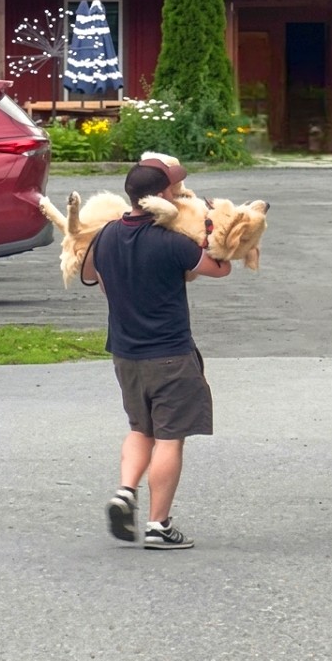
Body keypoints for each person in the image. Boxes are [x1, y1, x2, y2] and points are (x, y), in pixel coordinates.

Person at [80, 158, 230, 549]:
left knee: (139, 428)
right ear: (163, 195)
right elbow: (219, 268)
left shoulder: (107, 235)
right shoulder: (172, 242)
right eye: (174, 192)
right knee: (170, 437)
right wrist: (212, 227)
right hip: (170, 354)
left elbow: (92, 277)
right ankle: (158, 525)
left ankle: (126, 490)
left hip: (125, 353)